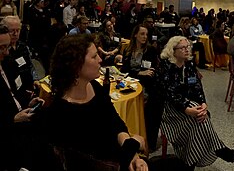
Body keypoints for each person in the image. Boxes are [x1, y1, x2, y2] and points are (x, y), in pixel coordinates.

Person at [39, 34, 148, 170]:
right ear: (76, 66)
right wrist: (134, 144)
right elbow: (94, 163)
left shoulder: (95, 87)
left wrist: (134, 157)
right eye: (94, 56)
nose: (100, 60)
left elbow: (115, 123)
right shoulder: (62, 113)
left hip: (121, 156)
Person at [158, 36, 234, 170]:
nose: (187, 50)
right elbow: (169, 93)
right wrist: (187, 109)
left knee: (198, 120)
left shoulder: (190, 65)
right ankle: (220, 149)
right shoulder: (166, 66)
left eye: (188, 47)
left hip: (190, 107)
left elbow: (197, 86)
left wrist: (203, 103)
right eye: (183, 48)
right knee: (198, 118)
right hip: (171, 110)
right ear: (173, 50)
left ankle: (189, 164)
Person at [0, 24, 49, 171]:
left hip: (21, 118)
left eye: (7, 47)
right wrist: (13, 119)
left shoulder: (8, 63)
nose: (7, 52)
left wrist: (28, 102)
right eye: (2, 48)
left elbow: (16, 91)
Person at [121, 25, 162, 150]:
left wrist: (139, 73)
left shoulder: (150, 50)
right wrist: (139, 73)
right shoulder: (127, 50)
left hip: (147, 86)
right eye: (142, 34)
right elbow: (124, 70)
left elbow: (151, 72)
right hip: (130, 82)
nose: (145, 37)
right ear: (135, 35)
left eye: (146, 34)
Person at [2, 16, 39, 95]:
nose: (15, 34)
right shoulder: (3, 52)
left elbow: (30, 66)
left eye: (18, 30)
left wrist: (35, 80)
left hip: (29, 88)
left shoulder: (23, 46)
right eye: (12, 31)